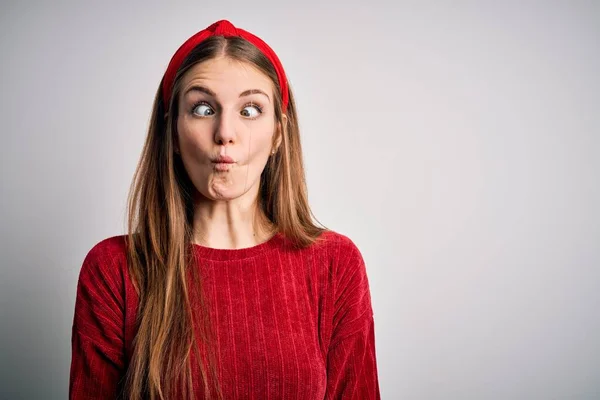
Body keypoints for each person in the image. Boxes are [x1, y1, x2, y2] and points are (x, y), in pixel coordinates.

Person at [69, 19, 380, 399]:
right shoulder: (115, 269)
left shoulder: (336, 264)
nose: (225, 132)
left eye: (250, 110)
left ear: (278, 133)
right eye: (202, 108)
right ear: (174, 133)